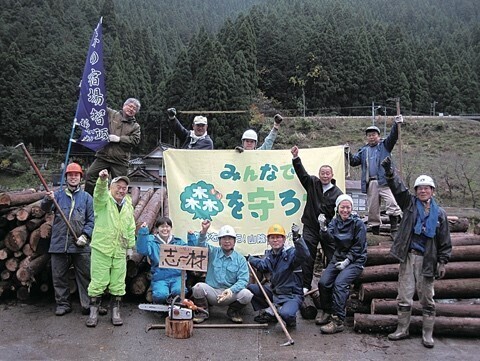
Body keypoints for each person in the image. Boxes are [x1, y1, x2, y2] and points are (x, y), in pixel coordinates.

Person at [381, 157, 452, 348]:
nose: (423, 190)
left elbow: (445, 240)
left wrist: (443, 261)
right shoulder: (409, 204)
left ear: (432, 191)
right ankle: (402, 329)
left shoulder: (440, 214)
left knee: (427, 298)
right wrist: (389, 172)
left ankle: (427, 334)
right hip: (408, 257)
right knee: (404, 295)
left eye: (427, 188)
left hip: (428, 260)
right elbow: (397, 188)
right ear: (415, 192)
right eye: (420, 188)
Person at [41, 163, 94, 316]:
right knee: (59, 276)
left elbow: (91, 220)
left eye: (76, 175)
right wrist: (47, 199)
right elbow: (44, 208)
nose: (73, 177)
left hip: (80, 244)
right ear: (66, 178)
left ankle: (88, 304)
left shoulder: (86, 198)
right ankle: (63, 304)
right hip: (59, 242)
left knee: (86, 275)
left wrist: (85, 235)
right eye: (70, 175)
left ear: (80, 178)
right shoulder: (57, 195)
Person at [86, 170, 135, 328]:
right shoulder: (103, 201)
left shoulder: (128, 205)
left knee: (118, 283)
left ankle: (116, 311)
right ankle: (93, 312)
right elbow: (99, 193)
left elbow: (130, 227)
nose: (121, 190)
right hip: (102, 248)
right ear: (111, 187)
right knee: (98, 281)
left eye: (124, 188)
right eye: (118, 187)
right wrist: (101, 181)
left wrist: (129, 247)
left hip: (119, 250)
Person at [291, 146, 343, 291]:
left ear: (332, 175)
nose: (325, 176)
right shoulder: (313, 183)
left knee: (332, 255)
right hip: (310, 226)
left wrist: (329, 227)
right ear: (319, 174)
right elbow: (302, 174)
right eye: (322, 173)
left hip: (327, 229)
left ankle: (334, 283)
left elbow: (341, 213)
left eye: (327, 173)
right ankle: (306, 285)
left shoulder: (338, 193)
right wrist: (296, 158)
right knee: (307, 255)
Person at [316, 194, 367, 334]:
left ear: (352, 208)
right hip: (338, 257)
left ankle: (338, 320)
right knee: (323, 282)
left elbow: (359, 247)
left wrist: (347, 261)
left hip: (355, 260)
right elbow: (329, 240)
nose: (345, 210)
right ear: (337, 208)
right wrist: (324, 229)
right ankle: (327, 311)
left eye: (348, 207)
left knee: (340, 284)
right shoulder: (335, 221)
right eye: (342, 207)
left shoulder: (358, 224)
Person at [347, 116, 403, 235]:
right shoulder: (364, 150)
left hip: (386, 181)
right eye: (369, 135)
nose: (371, 137)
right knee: (373, 208)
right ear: (367, 137)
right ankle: (375, 231)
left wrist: (396, 124)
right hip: (371, 182)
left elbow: (393, 137)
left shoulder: (385, 146)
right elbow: (353, 162)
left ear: (378, 136)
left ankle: (395, 229)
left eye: (374, 134)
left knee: (392, 202)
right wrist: (347, 153)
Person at [188, 220, 252, 324]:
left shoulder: (240, 259)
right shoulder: (213, 252)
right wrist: (204, 231)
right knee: (198, 287)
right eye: (224, 238)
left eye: (230, 238)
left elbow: (243, 280)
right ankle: (202, 312)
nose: (227, 241)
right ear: (219, 241)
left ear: (234, 241)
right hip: (212, 292)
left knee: (247, 294)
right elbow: (201, 246)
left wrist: (231, 290)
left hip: (230, 294)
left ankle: (233, 312)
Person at [248, 224, 310, 328]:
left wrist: (297, 238)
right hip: (275, 292)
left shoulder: (291, 253)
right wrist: (250, 259)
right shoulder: (270, 255)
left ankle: (290, 319)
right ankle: (273, 312)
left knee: (286, 313)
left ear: (284, 239)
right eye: (272, 237)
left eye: (278, 237)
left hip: (291, 295)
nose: (275, 240)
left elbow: (304, 254)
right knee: (251, 288)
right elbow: (262, 265)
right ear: (268, 240)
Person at [85, 98, 141, 195]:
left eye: (134, 108)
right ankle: (89, 201)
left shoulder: (135, 126)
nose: (131, 109)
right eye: (130, 106)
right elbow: (97, 107)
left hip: (120, 161)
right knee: (90, 176)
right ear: (124, 105)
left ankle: (116, 208)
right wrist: (85, 90)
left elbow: (135, 140)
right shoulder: (112, 114)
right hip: (103, 156)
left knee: (120, 185)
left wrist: (119, 139)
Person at [136, 217, 188, 304]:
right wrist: (143, 232)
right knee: (161, 295)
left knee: (179, 292)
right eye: (162, 227)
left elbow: (191, 251)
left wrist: (192, 237)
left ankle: (175, 304)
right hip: (160, 276)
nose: (165, 229)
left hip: (177, 276)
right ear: (157, 229)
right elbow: (142, 250)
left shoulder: (178, 242)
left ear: (171, 228)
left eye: (167, 227)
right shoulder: (152, 241)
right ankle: (154, 294)